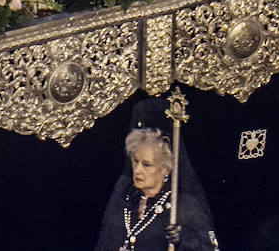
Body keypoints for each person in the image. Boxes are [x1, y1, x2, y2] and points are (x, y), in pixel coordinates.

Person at [94, 105, 219, 251]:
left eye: (147, 165)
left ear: (166, 168)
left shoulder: (183, 206)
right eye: (135, 161)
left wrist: (184, 242)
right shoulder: (124, 199)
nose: (138, 170)